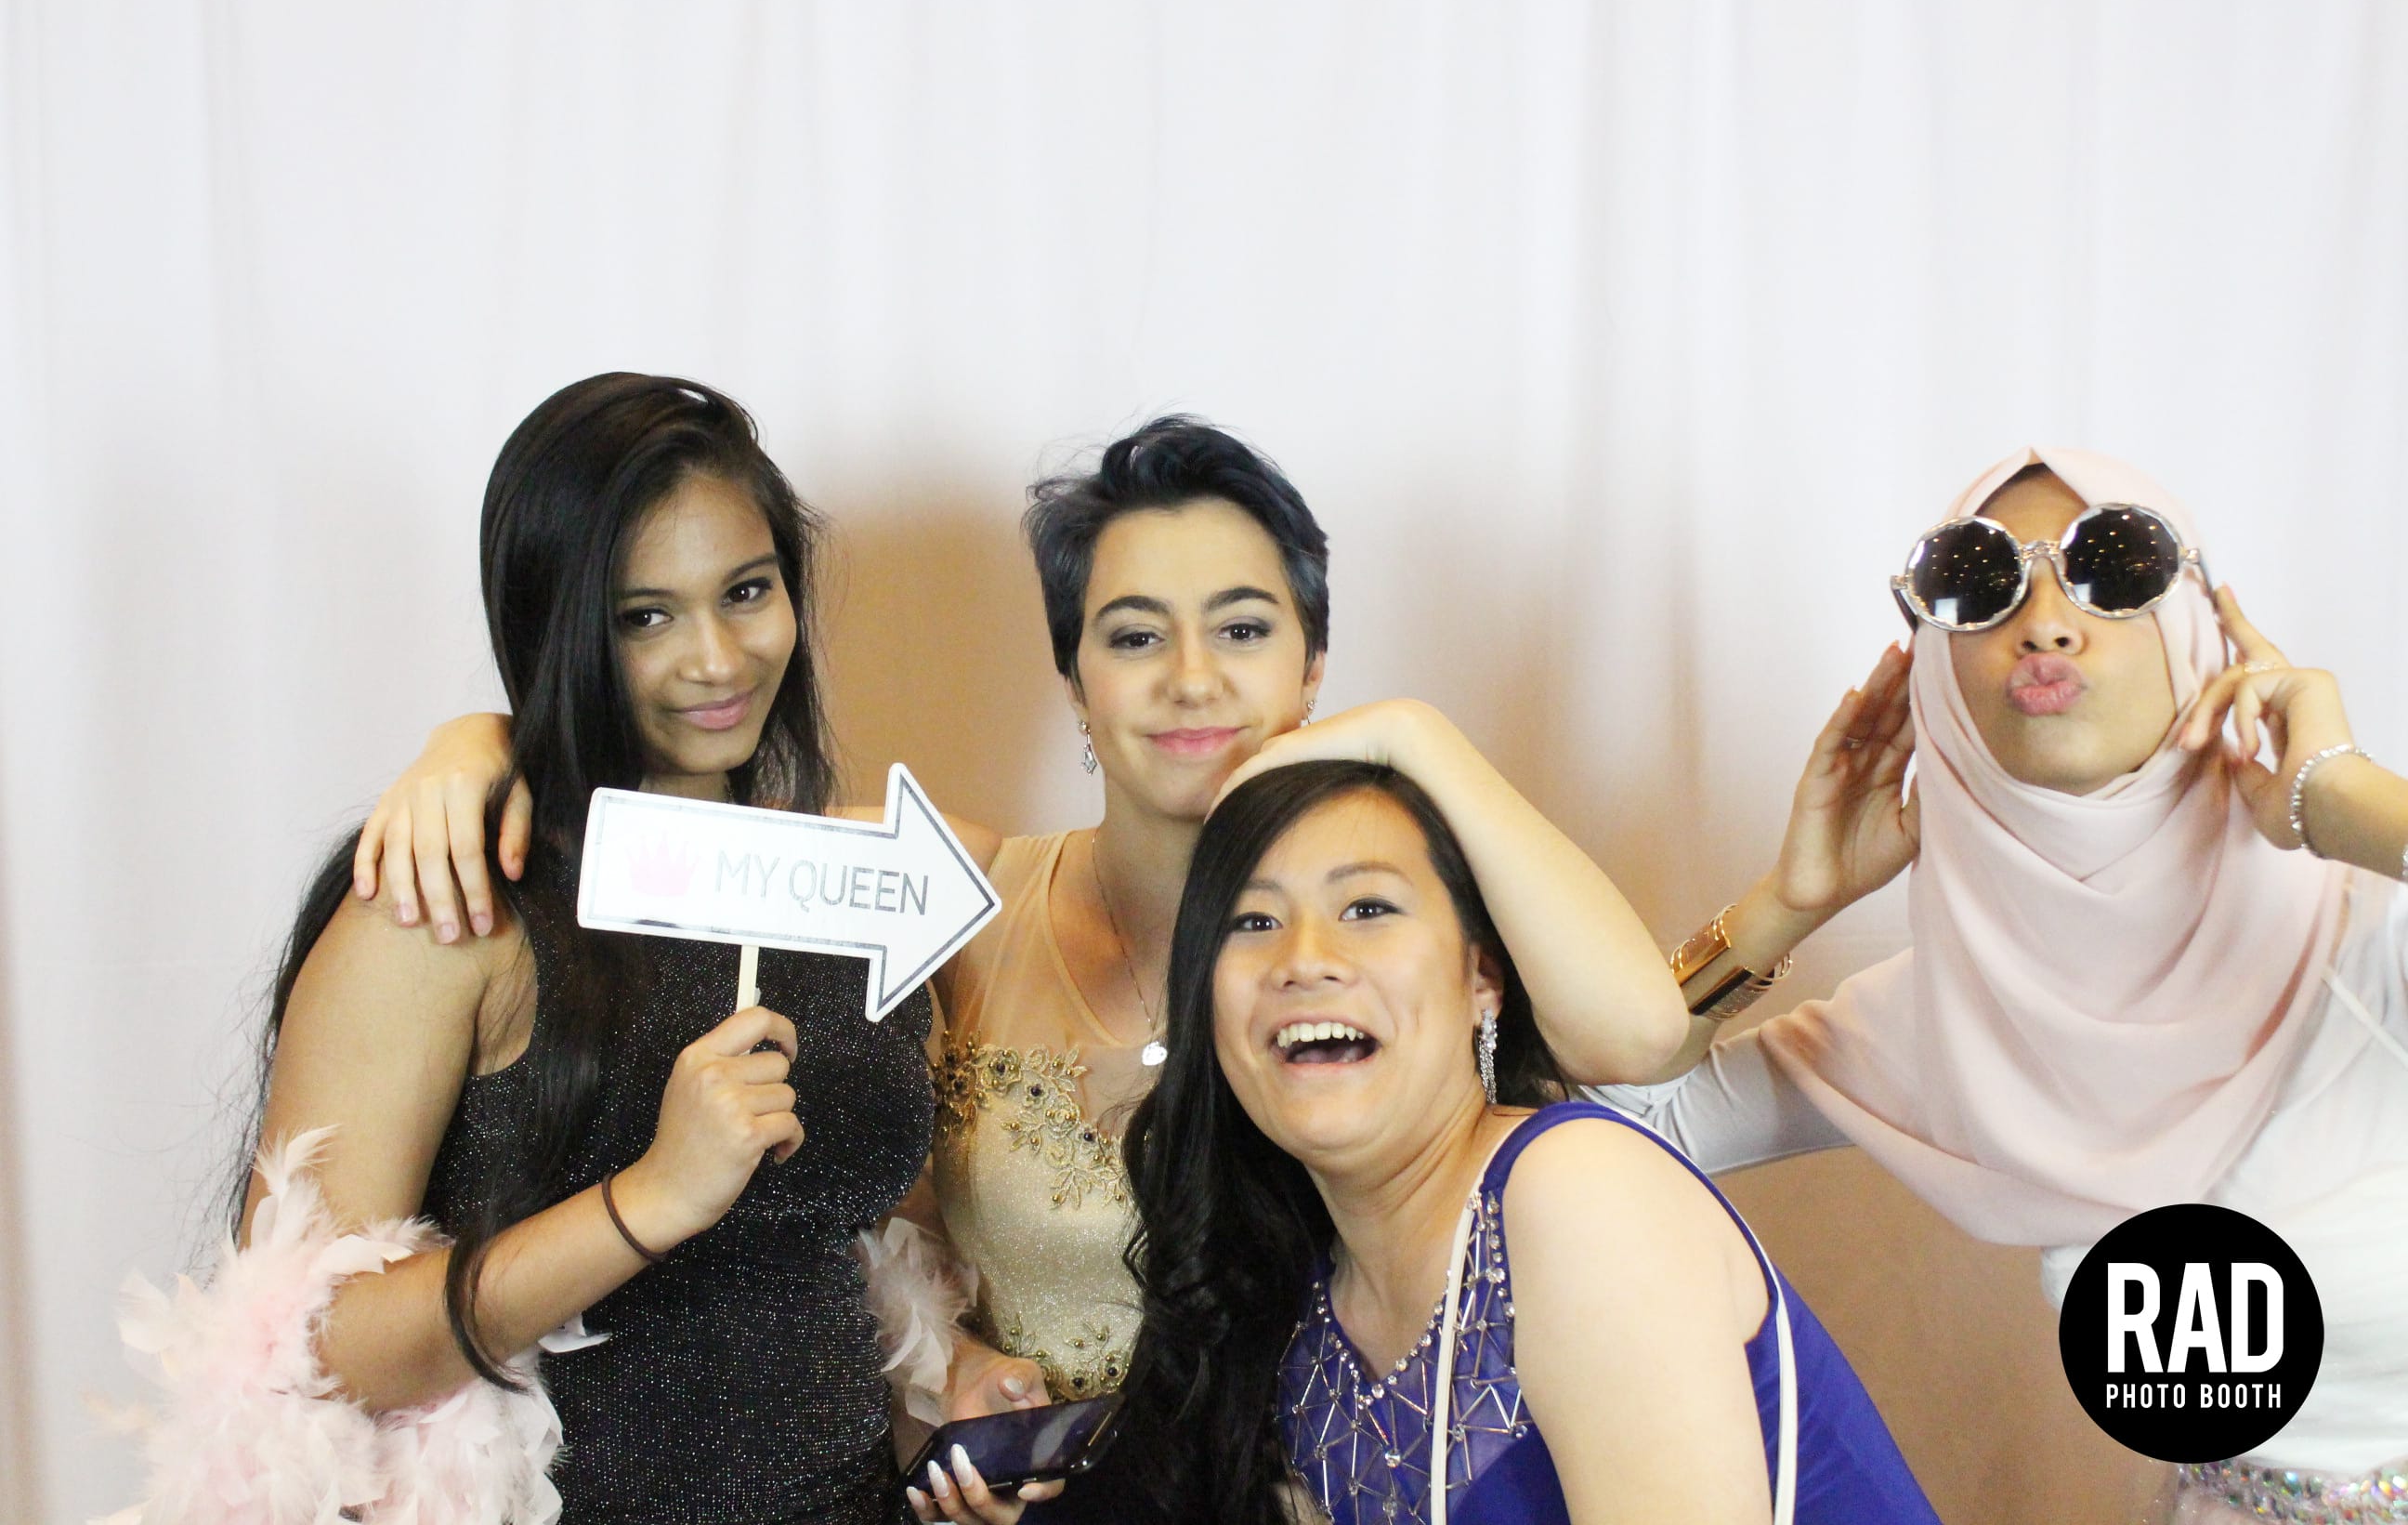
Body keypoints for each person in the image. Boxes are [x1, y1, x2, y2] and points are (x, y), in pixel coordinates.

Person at [347, 418, 1690, 1522]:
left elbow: (1635, 1034)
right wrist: (487, 746)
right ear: (1074, 680)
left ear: (1311, 663)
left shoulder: (1382, 936)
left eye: (1241, 630)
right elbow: (686, 858)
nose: (1191, 682)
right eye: (1134, 636)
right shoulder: (959, 897)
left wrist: (1412, 735)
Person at [108, 375, 1005, 1525]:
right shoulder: (453, 899)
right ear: (555, 627)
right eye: (643, 617)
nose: (718, 659)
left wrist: (953, 1373)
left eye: (746, 591)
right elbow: (310, 1345)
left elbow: (831, 1247)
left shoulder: (849, 883)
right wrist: (649, 1197)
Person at [1603, 448, 2408, 1521]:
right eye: (1978, 582)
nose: (2044, 623)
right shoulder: (1953, 1021)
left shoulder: (2371, 941)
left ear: (2197, 630)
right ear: (1939, 673)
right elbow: (1605, 1120)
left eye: (2112, 566)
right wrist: (1785, 906)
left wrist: (2336, 793)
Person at [1117, 757, 1941, 1524]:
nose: (1303, 961)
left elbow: (1642, 1034)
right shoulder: (1298, 1305)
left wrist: (1410, 729)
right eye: (1253, 921)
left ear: (1483, 977)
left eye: (1367, 909)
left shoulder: (1577, 1190)